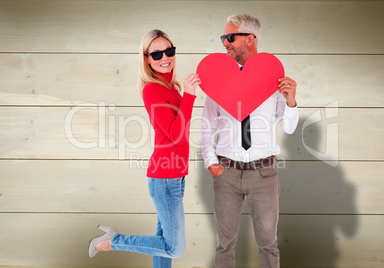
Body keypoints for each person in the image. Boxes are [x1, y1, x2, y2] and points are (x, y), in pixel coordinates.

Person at [88, 29, 201, 267]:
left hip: (175, 175)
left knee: (164, 242)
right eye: (157, 54)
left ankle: (115, 241)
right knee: (175, 247)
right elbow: (173, 135)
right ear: (147, 59)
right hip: (165, 177)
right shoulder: (152, 89)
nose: (164, 58)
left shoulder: (171, 87)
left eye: (169, 51)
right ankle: (113, 241)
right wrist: (190, 97)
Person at [201, 14, 299, 267]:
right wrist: (210, 161)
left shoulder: (273, 78)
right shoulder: (217, 79)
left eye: (230, 37)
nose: (224, 43)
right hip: (227, 172)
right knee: (225, 245)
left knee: (268, 244)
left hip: (263, 173)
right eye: (223, 38)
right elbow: (207, 124)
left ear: (250, 39)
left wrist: (291, 101)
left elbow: (288, 127)